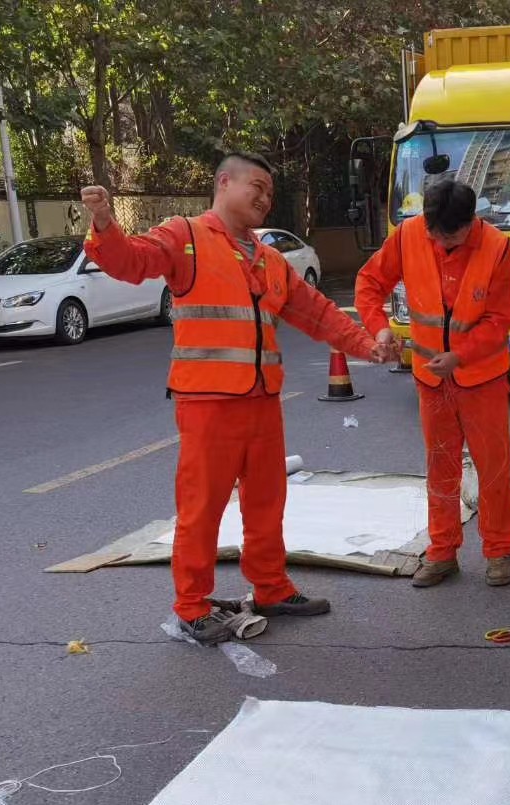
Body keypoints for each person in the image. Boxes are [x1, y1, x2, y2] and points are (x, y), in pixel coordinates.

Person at [80, 153, 394, 644]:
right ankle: (191, 606)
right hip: (208, 404)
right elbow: (132, 261)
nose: (265, 199)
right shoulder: (184, 237)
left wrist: (367, 345)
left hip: (262, 401)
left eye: (270, 192)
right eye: (257, 187)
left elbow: (317, 314)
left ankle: (271, 587)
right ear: (223, 182)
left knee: (268, 502)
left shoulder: (269, 260)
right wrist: (104, 225)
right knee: (202, 508)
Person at [354, 179, 510, 588]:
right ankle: (443, 552)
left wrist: (461, 355)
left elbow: (500, 319)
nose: (441, 241)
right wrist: (379, 330)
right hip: (432, 379)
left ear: (470, 224)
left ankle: (498, 553)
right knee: (440, 468)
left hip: (482, 377)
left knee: (493, 469)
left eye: (450, 235)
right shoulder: (410, 235)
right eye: (435, 232)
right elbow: (369, 283)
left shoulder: (497, 247)